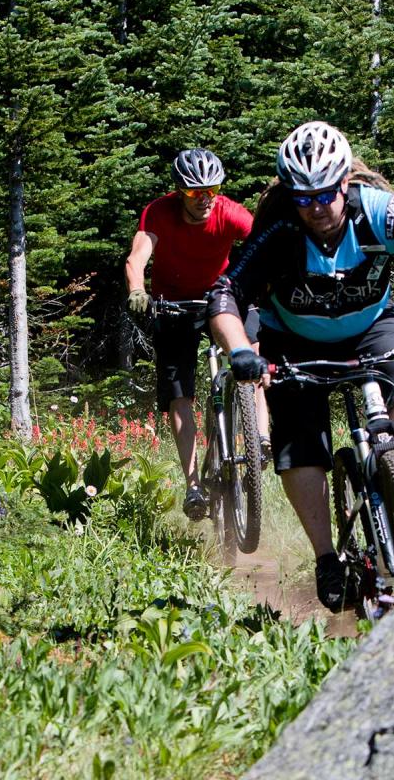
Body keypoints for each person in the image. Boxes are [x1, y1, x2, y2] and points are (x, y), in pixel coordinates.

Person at [208, 121, 394, 611]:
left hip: (371, 324)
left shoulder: (379, 212)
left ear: (345, 183)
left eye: (325, 194)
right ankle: (325, 557)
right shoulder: (280, 230)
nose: (316, 208)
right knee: (300, 441)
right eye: (303, 198)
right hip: (293, 336)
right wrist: (241, 351)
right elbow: (224, 295)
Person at [124, 148, 271, 519]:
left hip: (222, 296)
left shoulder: (230, 213)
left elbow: (267, 246)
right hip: (173, 303)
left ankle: (261, 437)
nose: (205, 198)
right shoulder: (159, 212)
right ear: (179, 192)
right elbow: (137, 257)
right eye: (194, 192)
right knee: (180, 394)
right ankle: (193, 486)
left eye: (212, 189)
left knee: (251, 353)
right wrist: (137, 289)